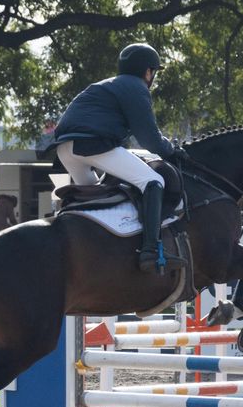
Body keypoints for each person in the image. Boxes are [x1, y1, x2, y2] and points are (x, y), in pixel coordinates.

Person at [51, 42, 188, 274]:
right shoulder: (135, 87)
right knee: (154, 182)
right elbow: (150, 139)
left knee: (95, 198)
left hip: (66, 148)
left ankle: (90, 245)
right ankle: (150, 251)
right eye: (153, 73)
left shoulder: (109, 85)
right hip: (91, 144)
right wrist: (172, 150)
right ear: (148, 72)